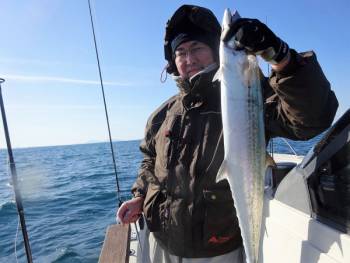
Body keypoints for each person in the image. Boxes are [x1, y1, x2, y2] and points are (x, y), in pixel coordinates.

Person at [117, 4, 338, 262]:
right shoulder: (162, 115)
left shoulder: (249, 93)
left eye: (197, 48)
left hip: (219, 248)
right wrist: (140, 196)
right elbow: (150, 162)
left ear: (215, 50)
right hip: (163, 244)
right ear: (172, 61)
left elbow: (311, 118)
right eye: (181, 52)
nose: (189, 59)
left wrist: (282, 57)